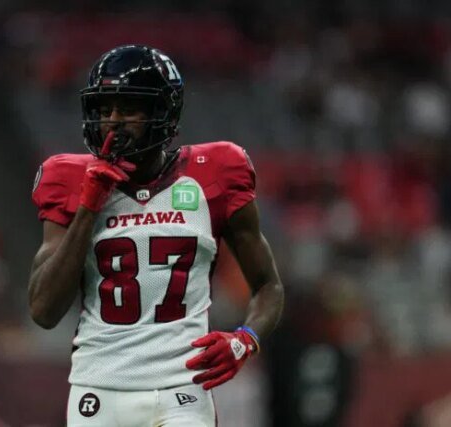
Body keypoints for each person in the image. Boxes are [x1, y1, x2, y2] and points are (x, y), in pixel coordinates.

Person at [29, 45, 284, 426]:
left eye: (127, 109)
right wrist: (89, 207)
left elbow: (269, 286)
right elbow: (44, 310)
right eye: (105, 110)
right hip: (98, 388)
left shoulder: (216, 173)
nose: (112, 122)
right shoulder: (68, 179)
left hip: (183, 387)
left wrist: (245, 339)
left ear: (163, 112)